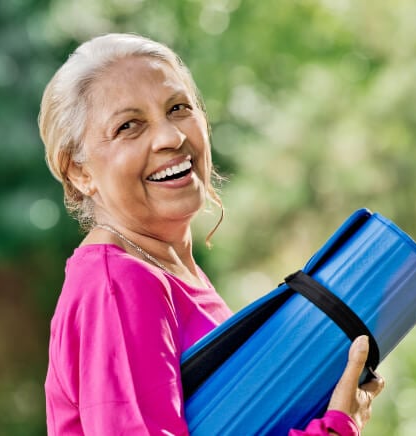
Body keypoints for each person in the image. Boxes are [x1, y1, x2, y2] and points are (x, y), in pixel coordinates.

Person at [38, 33, 385, 435]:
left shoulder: (168, 271)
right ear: (79, 172)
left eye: (178, 108)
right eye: (129, 126)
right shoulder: (118, 284)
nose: (171, 137)